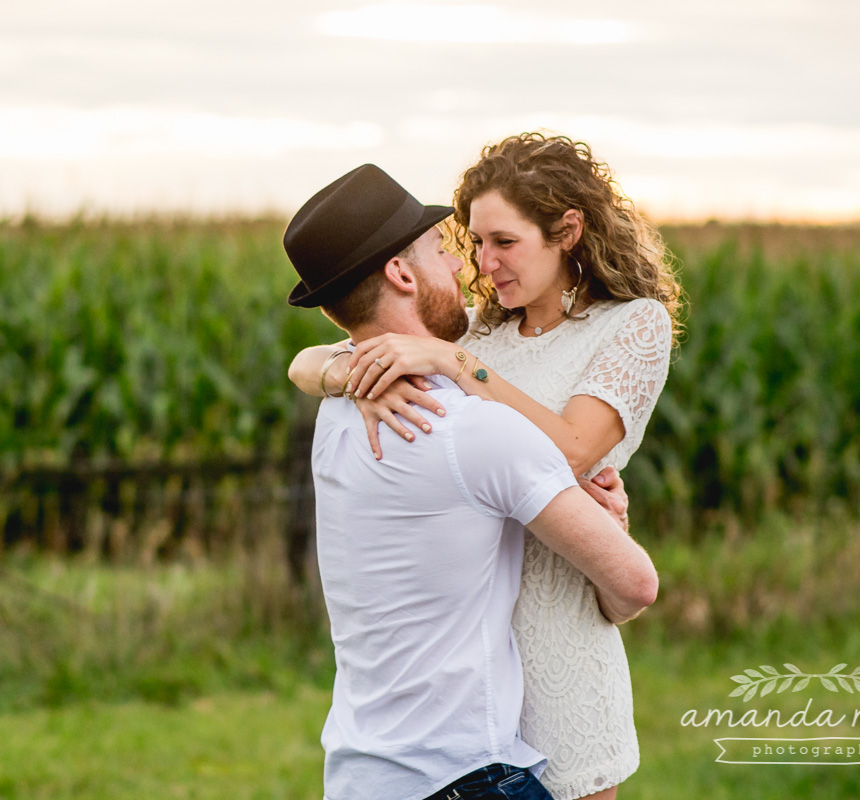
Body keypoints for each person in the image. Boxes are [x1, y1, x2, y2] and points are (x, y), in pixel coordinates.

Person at [289, 133, 680, 799]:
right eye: (471, 243)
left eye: (504, 242)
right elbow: (317, 355)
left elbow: (574, 452)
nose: (481, 262)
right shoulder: (482, 329)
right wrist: (341, 373)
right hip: (476, 668)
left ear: (567, 231)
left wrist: (449, 363)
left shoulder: (630, 326)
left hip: (557, 631)